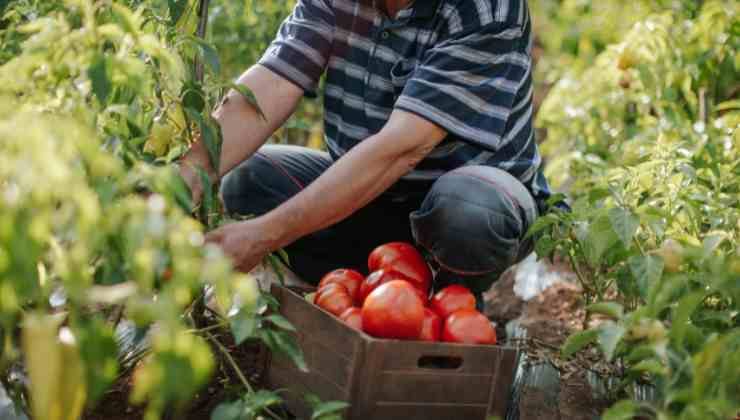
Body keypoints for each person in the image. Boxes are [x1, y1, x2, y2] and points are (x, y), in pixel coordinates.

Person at [180, 0, 552, 301]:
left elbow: (402, 147)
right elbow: (274, 81)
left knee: (470, 215)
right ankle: (366, 292)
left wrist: (263, 235)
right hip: (371, 200)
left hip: (461, 210)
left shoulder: (487, 10)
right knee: (250, 180)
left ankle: (450, 306)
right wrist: (184, 178)